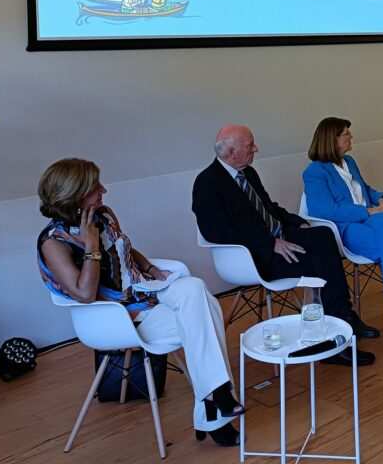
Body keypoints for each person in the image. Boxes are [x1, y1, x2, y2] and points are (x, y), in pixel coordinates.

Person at [36, 158, 242, 448]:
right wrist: (91, 245)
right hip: (119, 316)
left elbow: (124, 248)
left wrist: (150, 268)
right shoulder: (53, 241)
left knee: (195, 289)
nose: (104, 190)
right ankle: (214, 404)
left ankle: (213, 401)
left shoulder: (103, 216)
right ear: (75, 194)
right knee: (206, 315)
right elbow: (84, 293)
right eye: (95, 187)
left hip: (144, 291)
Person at [192, 124, 378, 366]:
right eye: (250, 145)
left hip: (277, 239)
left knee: (323, 235)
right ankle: (334, 339)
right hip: (254, 255)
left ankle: (343, 319)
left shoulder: (248, 173)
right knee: (320, 260)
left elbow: (269, 208)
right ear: (230, 152)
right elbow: (215, 232)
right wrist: (269, 243)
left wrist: (298, 222)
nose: (256, 148)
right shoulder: (207, 183)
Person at [303, 118, 383, 337]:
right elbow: (323, 210)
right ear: (332, 139)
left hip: (369, 219)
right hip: (345, 227)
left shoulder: (349, 161)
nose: (351, 137)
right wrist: (368, 211)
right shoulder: (315, 172)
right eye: (346, 134)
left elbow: (364, 189)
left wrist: (380, 198)